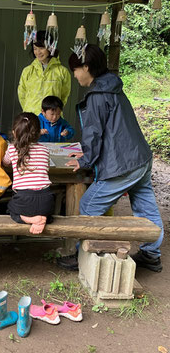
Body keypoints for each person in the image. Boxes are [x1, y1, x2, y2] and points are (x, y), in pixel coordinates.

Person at [61, 44, 164, 272]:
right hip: (141, 158)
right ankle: (152, 254)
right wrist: (87, 153)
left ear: (86, 67)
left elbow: (94, 133)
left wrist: (85, 160)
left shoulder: (98, 95)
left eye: (75, 70)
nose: (75, 75)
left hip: (124, 164)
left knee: (89, 204)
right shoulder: (112, 86)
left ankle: (83, 255)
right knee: (146, 208)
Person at [3, 112, 54, 234]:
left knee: (11, 209)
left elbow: (5, 163)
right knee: (48, 212)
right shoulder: (45, 149)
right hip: (46, 199)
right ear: (38, 133)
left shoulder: (12, 148)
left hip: (23, 199)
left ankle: (30, 219)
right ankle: (45, 218)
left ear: (14, 132)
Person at [18, 31, 71, 116]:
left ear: (50, 47)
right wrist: (30, 109)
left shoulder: (62, 72)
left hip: (52, 120)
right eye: (35, 48)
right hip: (31, 118)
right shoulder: (27, 71)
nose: (38, 52)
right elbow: (22, 94)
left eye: (41, 48)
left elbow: (64, 96)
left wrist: (53, 112)